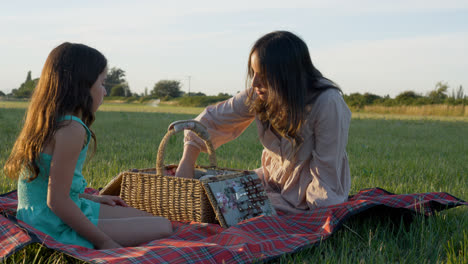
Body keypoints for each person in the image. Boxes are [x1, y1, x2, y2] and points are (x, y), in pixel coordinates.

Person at [4, 42, 172, 249]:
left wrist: (91, 199)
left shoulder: (47, 119)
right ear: (82, 85)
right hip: (52, 224)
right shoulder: (72, 128)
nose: (105, 92)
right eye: (102, 83)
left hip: (42, 213)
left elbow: (48, 184)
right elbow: (56, 201)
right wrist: (104, 241)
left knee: (152, 219)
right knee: (164, 226)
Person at [176, 31, 352, 214]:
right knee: (210, 193)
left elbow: (327, 172)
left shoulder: (327, 103)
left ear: (287, 75)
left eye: (263, 75)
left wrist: (314, 218)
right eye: (253, 73)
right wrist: (186, 163)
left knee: (225, 207)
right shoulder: (259, 95)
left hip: (303, 199)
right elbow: (210, 119)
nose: (254, 83)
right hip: (269, 183)